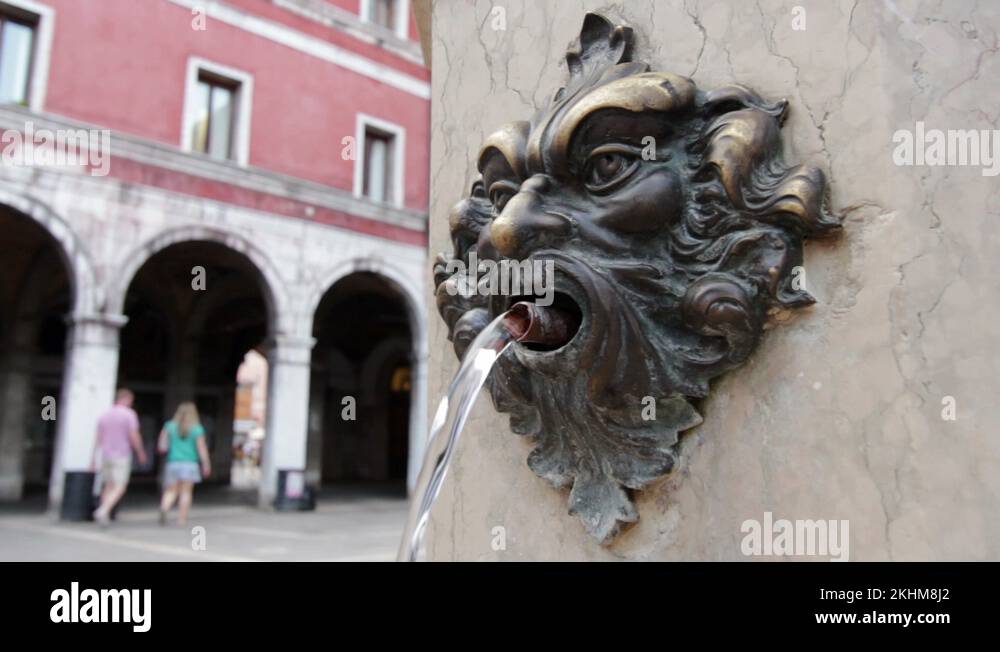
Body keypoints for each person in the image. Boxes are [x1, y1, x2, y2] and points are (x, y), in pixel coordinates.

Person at [91, 388, 147, 526]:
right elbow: (133, 435)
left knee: (108, 485)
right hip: (121, 454)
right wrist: (140, 452)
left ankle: (105, 516)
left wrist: (93, 458)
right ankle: (103, 510)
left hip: (106, 454)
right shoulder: (129, 415)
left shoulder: (104, 415)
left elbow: (98, 437)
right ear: (126, 399)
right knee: (120, 486)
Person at [157, 402, 211, 526]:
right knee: (186, 492)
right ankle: (181, 519)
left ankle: (164, 508)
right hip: (190, 464)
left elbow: (162, 444)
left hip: (173, 462)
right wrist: (206, 464)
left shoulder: (169, 426)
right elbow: (202, 448)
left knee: (171, 490)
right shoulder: (197, 429)